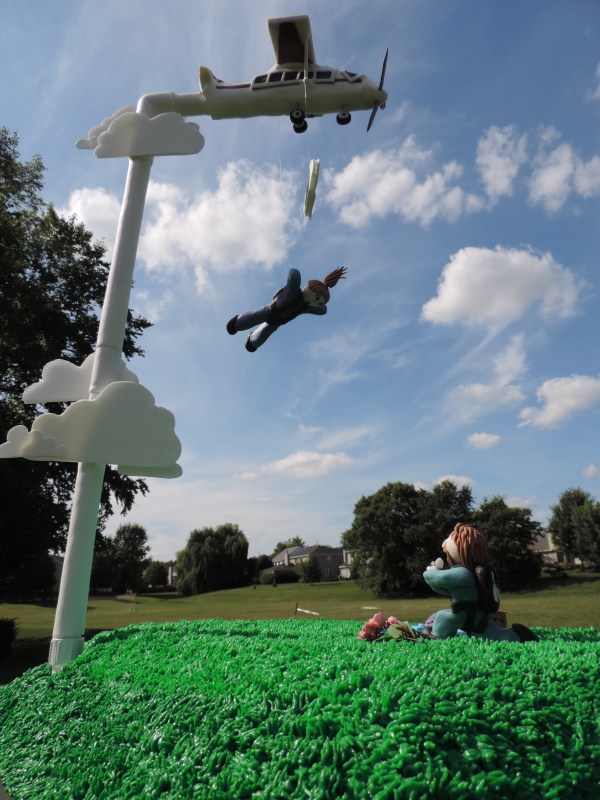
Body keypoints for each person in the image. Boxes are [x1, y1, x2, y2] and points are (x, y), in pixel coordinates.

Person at [422, 523, 538, 642]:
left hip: (462, 616)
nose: (444, 544)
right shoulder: (478, 571)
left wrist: (431, 571)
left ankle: (437, 635)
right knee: (488, 634)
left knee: (442, 616)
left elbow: (434, 578)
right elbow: (444, 589)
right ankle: (515, 636)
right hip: (480, 617)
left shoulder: (461, 573)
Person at [227, 266, 347, 352]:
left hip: (278, 321)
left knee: (264, 333)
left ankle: (252, 341)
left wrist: (322, 302)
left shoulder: (307, 307)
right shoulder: (293, 292)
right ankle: (236, 324)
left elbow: (322, 310)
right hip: (271, 310)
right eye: (316, 297)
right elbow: (294, 275)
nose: (314, 302)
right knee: (255, 316)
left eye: (318, 301)